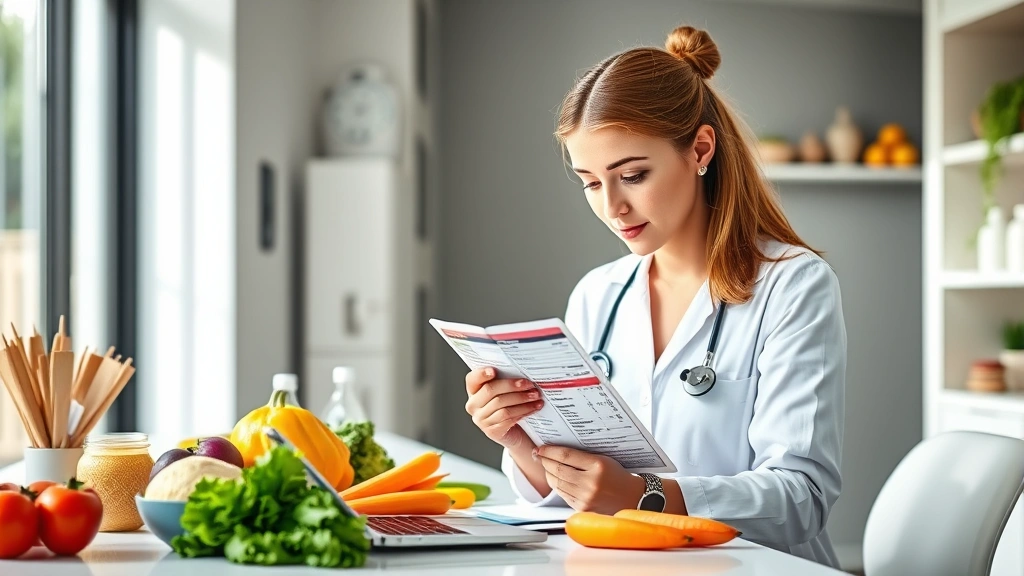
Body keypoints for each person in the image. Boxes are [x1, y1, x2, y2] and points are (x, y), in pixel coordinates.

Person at [462, 24, 846, 568]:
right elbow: (580, 489)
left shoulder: (792, 284)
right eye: (591, 183)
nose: (612, 206)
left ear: (700, 150)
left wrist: (646, 496)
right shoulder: (598, 294)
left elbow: (801, 498)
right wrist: (521, 441)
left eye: (634, 175)